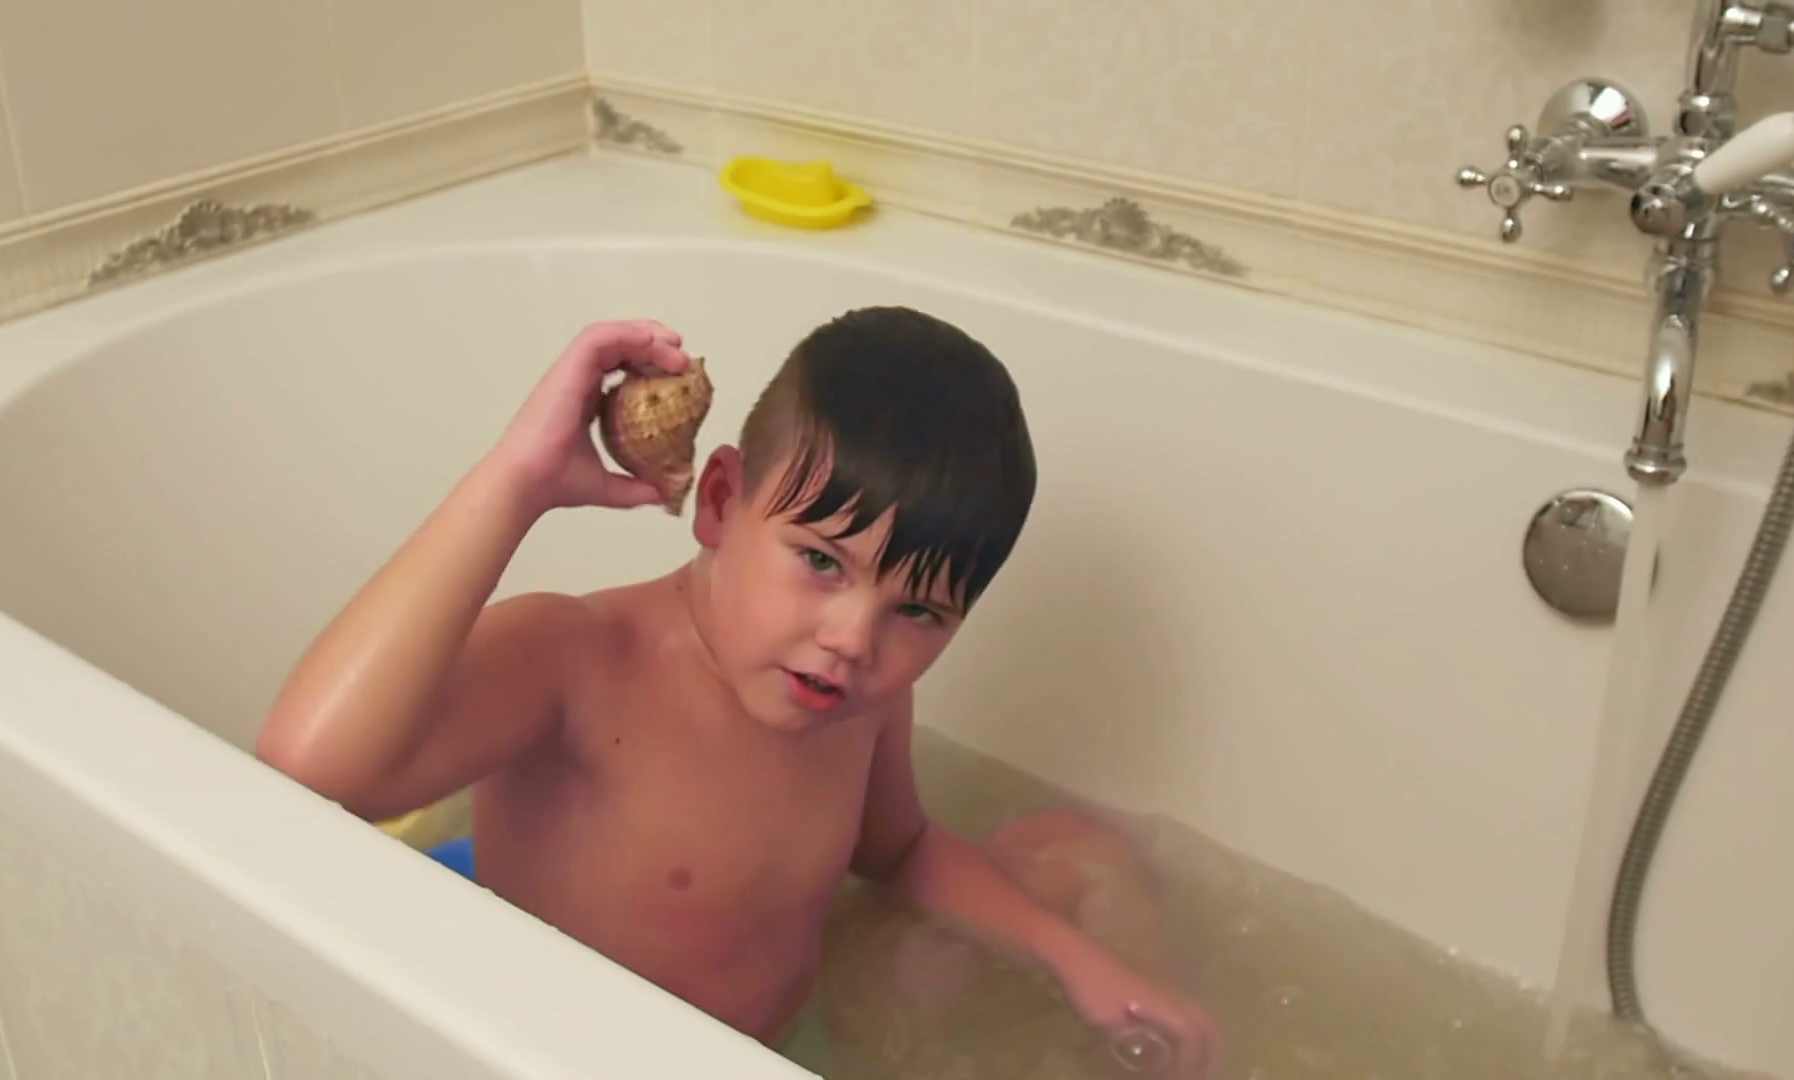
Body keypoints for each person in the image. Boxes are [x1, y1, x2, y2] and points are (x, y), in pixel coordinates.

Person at [255, 311, 1221, 1077]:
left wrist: (1077, 961)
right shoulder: (579, 658)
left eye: (918, 613)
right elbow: (307, 773)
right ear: (719, 503)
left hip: (763, 1047)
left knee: (1076, 853)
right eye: (818, 561)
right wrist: (518, 480)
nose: (852, 639)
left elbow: (901, 850)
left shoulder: (859, 697)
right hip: (546, 1052)